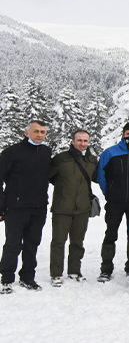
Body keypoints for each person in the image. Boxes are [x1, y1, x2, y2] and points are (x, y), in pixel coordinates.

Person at [0, 120, 52, 293]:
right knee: (13, 244)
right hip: (16, 207)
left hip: (39, 207)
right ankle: (6, 279)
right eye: (36, 131)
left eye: (43, 132)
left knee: (32, 243)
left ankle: (27, 277)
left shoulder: (46, 152)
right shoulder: (12, 152)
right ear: (27, 132)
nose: (39, 134)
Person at [96, 122, 129, 283]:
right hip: (115, 201)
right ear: (123, 134)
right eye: (128, 134)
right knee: (110, 233)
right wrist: (109, 192)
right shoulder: (110, 152)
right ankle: (106, 268)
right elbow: (101, 175)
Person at [48, 129, 98, 287]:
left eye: (85, 141)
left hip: (82, 208)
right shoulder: (61, 159)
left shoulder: (92, 160)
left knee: (77, 242)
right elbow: (48, 176)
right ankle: (56, 274)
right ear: (73, 141)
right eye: (79, 140)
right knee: (58, 242)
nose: (82, 144)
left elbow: (96, 177)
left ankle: (74, 271)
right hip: (62, 208)